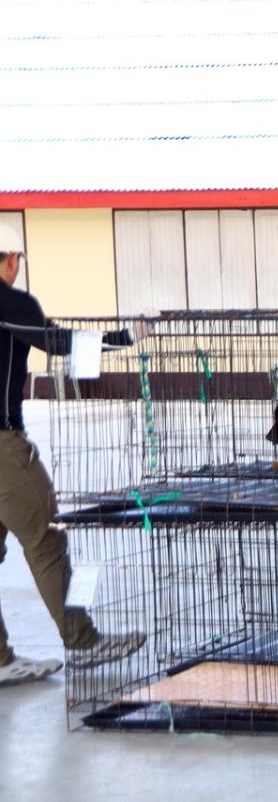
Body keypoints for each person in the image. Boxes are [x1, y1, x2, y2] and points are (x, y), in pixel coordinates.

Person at [0, 249, 149, 685]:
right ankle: (83, 642)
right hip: (3, 448)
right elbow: (58, 342)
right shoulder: (9, 301)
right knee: (45, 540)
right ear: (11, 260)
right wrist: (125, 335)